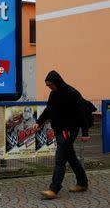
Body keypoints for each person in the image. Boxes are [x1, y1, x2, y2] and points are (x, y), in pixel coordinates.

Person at [33, 70, 90, 199]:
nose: (49, 87)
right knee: (71, 158)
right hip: (59, 130)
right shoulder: (53, 94)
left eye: (50, 85)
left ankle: (54, 189)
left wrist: (85, 133)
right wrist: (39, 122)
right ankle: (82, 183)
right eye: (47, 85)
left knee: (60, 158)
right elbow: (48, 110)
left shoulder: (72, 93)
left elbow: (82, 114)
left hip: (69, 131)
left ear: (57, 82)